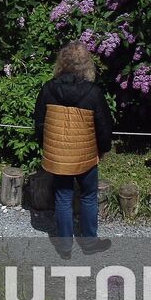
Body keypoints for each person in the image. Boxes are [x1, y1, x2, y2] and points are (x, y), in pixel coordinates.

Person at [33, 42, 113, 257]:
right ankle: (89, 243)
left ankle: (65, 247)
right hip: (86, 157)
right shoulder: (93, 92)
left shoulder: (48, 89)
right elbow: (104, 126)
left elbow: (39, 123)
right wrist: (104, 149)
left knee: (63, 197)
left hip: (59, 156)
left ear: (62, 62)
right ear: (87, 64)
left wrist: (48, 147)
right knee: (88, 197)